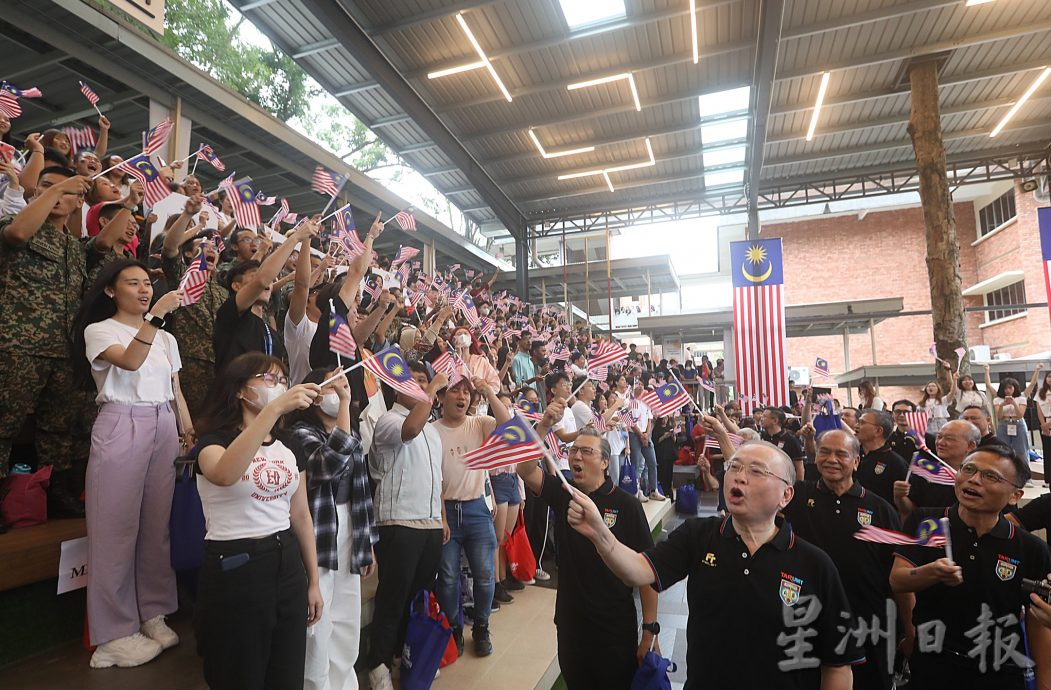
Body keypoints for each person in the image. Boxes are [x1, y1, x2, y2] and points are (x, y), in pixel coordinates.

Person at [565, 440, 862, 688]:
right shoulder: (699, 536)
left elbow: (837, 665)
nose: (739, 476)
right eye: (734, 467)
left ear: (786, 495)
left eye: (756, 471)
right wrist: (601, 535)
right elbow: (639, 570)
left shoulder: (814, 564)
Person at [71, 260, 190, 668]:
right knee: (114, 528)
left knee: (156, 527)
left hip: (163, 424)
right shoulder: (100, 331)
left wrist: (185, 429)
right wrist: (155, 317)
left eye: (147, 284)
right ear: (110, 291)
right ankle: (113, 634)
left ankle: (152, 611)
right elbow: (129, 362)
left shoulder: (166, 340)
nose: (143, 290)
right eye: (133, 283)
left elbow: (175, 389)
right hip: (122, 422)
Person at [192, 353, 324, 689]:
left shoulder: (289, 445)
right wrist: (273, 410)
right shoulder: (213, 441)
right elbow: (224, 474)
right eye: (267, 379)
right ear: (238, 390)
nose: (277, 386)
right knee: (240, 672)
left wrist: (313, 581)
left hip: (286, 562)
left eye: (281, 380)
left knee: (286, 671)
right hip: (236, 566)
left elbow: (301, 514)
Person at [890, 445, 1051, 689]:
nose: (974, 480)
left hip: (1001, 669)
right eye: (969, 469)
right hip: (935, 665)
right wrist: (930, 572)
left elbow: (1038, 622)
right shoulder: (927, 521)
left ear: (1015, 496)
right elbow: (898, 580)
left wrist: (1044, 683)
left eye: (990, 476)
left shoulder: (1030, 548)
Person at [517, 419, 659, 689]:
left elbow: (648, 571)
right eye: (573, 451)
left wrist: (650, 629)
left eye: (586, 451)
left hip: (613, 627)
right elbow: (525, 469)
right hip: (571, 623)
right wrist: (544, 425)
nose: (576, 456)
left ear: (605, 462)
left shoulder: (626, 505)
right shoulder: (564, 493)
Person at [0, 168, 101, 519]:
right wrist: (59, 186)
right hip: (18, 346)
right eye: (46, 187)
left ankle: (55, 492)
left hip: (64, 351)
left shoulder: (75, 247)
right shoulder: (20, 221)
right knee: (4, 424)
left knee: (58, 428)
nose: (57, 195)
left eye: (66, 192)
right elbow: (15, 234)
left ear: (78, 202)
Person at [783, 430, 909, 690]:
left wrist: (908, 627)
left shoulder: (881, 509)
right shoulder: (796, 497)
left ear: (856, 461)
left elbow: (898, 574)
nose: (831, 459)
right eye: (824, 452)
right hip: (807, 621)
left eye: (841, 454)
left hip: (869, 623)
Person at [285, 368, 376, 690]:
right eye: (333, 386)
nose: (340, 391)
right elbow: (327, 465)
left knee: (347, 620)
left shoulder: (350, 433)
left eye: (345, 385)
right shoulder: (299, 434)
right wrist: (346, 408)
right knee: (318, 624)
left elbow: (362, 492)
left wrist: (366, 545)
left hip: (350, 529)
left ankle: (344, 684)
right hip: (321, 533)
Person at [366, 365, 448, 690]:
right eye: (412, 382)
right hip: (398, 520)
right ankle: (378, 665)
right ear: (396, 389)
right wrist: (434, 388)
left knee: (419, 597)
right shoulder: (389, 419)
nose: (420, 387)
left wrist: (440, 517)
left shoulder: (433, 429)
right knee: (393, 598)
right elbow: (409, 429)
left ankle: (406, 655)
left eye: (425, 382)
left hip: (428, 523)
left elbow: (437, 480)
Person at [432, 376, 512, 657]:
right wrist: (441, 516)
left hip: (477, 508)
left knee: (485, 574)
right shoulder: (432, 431)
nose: (462, 396)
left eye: (466, 391)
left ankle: (481, 626)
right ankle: (454, 627)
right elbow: (433, 479)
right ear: (441, 396)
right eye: (455, 390)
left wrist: (489, 390)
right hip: (445, 512)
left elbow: (507, 426)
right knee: (448, 577)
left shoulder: (479, 424)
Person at [213, 219, 317, 372]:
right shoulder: (230, 315)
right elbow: (262, 280)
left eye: (270, 280)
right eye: (253, 277)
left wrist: (306, 240)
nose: (268, 283)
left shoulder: (270, 332)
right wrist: (295, 238)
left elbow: (302, 285)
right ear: (236, 286)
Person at [894, 419, 979, 520]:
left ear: (970, 446)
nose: (940, 442)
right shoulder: (926, 472)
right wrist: (900, 497)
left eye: (949, 439)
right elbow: (910, 510)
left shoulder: (980, 476)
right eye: (939, 437)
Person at [854, 409, 909, 506]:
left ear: (878, 431)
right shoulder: (851, 454)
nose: (856, 426)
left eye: (861, 422)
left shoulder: (896, 463)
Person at [628, 381, 665, 502]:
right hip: (635, 435)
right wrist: (641, 435)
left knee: (652, 462)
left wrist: (647, 435)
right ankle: (636, 491)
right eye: (638, 384)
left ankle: (653, 490)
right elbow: (631, 422)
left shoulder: (646, 402)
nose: (640, 387)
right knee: (637, 464)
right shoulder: (631, 402)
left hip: (646, 435)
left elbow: (649, 420)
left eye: (641, 384)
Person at [993, 373, 1035, 461]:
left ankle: (1024, 472)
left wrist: (1014, 403)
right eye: (1005, 388)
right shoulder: (997, 399)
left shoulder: (1021, 398)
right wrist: (1002, 405)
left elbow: (1020, 415)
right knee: (1003, 450)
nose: (1007, 390)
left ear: (1015, 388)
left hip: (1018, 424)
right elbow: (999, 416)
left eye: (1010, 388)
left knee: (1021, 451)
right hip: (1003, 425)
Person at [759, 406, 806, 482]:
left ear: (775, 421)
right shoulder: (762, 437)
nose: (761, 418)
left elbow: (799, 467)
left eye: (764, 416)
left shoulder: (790, 440)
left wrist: (798, 487)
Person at [1036, 369, 1051, 461]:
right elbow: (1039, 410)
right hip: (1044, 424)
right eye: (1049, 377)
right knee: (1047, 453)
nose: (1050, 379)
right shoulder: (1041, 392)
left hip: (1048, 423)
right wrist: (1043, 425)